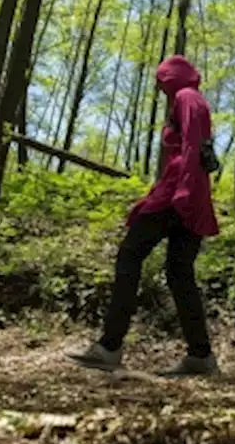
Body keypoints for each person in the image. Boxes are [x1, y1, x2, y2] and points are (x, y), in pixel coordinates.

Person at [68, 55, 220, 376]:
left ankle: (110, 347)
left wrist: (181, 192)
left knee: (130, 254)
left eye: (161, 81)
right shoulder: (188, 98)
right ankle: (200, 355)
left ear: (172, 78)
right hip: (188, 193)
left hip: (181, 193)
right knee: (179, 272)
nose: (159, 88)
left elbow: (193, 147)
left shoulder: (187, 98)